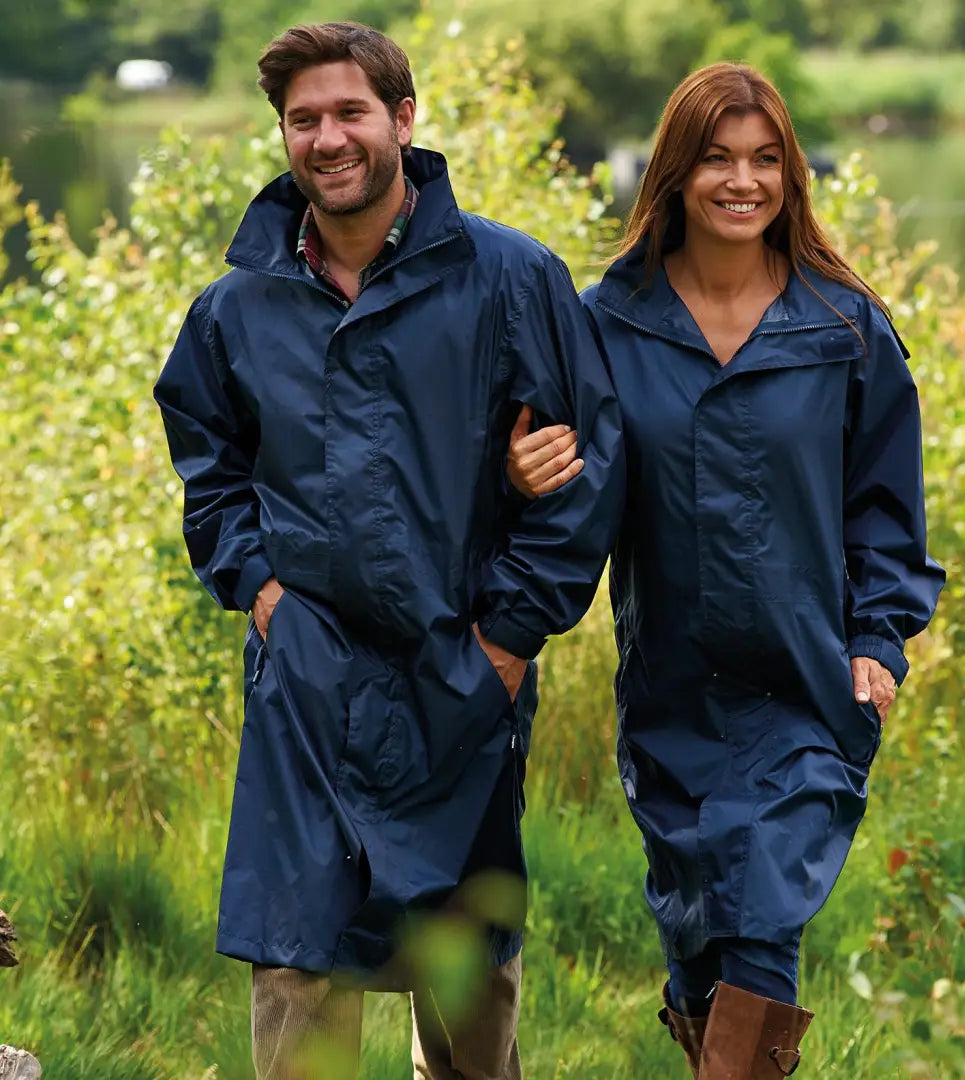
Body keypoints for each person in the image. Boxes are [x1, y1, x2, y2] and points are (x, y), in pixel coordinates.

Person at [154, 21, 623, 1080]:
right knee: (297, 962)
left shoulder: (512, 280)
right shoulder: (236, 310)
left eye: (350, 112)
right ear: (283, 133)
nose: (328, 138)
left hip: (460, 672)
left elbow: (584, 471)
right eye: (303, 119)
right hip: (307, 688)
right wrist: (263, 592)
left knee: (462, 976)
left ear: (403, 122)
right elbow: (209, 469)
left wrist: (506, 643)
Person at [507, 63, 945, 1078]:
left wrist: (878, 639)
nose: (742, 181)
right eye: (717, 159)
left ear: (791, 176)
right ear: (674, 174)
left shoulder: (843, 330)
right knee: (703, 937)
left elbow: (884, 506)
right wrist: (521, 472)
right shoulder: (606, 325)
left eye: (764, 161)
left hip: (808, 681)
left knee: (761, 924)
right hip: (672, 691)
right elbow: (566, 492)